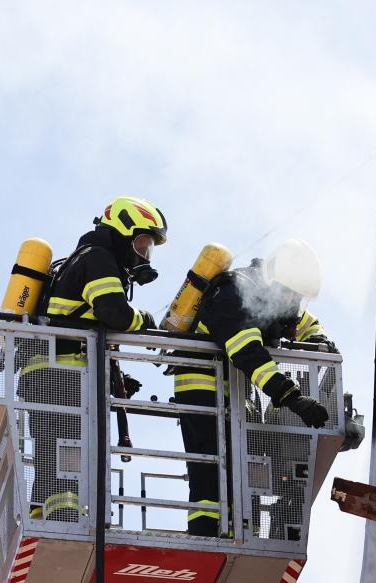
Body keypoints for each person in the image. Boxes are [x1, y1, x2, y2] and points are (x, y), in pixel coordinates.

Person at [18, 197, 167, 521]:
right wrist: (144, 320)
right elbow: (112, 311)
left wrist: (116, 377)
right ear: (124, 231)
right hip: (64, 374)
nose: (144, 253)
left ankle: (43, 512)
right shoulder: (100, 258)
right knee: (68, 450)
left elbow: (87, 323)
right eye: (142, 242)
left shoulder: (85, 258)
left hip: (48, 372)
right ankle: (65, 516)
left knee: (50, 450)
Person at [173, 239, 333, 537]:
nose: (290, 301)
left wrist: (320, 339)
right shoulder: (234, 292)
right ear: (273, 281)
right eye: (288, 293)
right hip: (202, 389)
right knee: (211, 471)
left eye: (296, 296)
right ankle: (206, 533)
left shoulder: (274, 296)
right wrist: (293, 398)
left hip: (235, 395)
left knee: (247, 467)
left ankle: (241, 530)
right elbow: (247, 352)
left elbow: (304, 322)